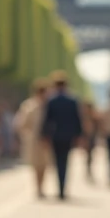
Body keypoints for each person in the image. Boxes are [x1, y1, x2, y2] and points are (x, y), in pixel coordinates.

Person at [42, 71, 83, 200]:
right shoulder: (72, 100)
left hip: (55, 135)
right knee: (65, 162)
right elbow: (77, 119)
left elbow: (46, 120)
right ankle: (63, 188)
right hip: (68, 135)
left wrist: (44, 136)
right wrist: (78, 135)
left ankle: (59, 188)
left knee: (56, 162)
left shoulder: (51, 100)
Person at [14, 78, 50, 198]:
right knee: (36, 164)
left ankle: (41, 186)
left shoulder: (48, 105)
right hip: (33, 140)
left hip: (45, 139)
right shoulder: (29, 105)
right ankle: (38, 187)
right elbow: (21, 123)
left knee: (44, 164)